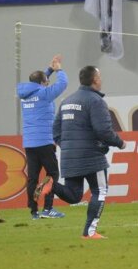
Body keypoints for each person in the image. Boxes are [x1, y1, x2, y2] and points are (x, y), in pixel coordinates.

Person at [51, 66, 125, 239]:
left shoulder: (67, 101)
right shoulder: (95, 101)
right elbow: (103, 131)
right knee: (100, 191)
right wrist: (119, 143)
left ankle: (51, 186)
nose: (101, 79)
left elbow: (55, 130)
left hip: (70, 156)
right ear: (95, 80)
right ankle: (89, 232)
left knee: (74, 195)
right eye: (99, 76)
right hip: (92, 156)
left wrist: (68, 146)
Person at [17, 54, 69, 219]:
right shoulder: (44, 94)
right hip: (45, 141)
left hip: (30, 143)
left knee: (33, 177)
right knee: (52, 174)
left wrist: (49, 71)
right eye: (46, 80)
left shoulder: (25, 95)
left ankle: (34, 212)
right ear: (42, 83)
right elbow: (63, 84)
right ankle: (48, 209)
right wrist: (59, 69)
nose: (48, 83)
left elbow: (39, 82)